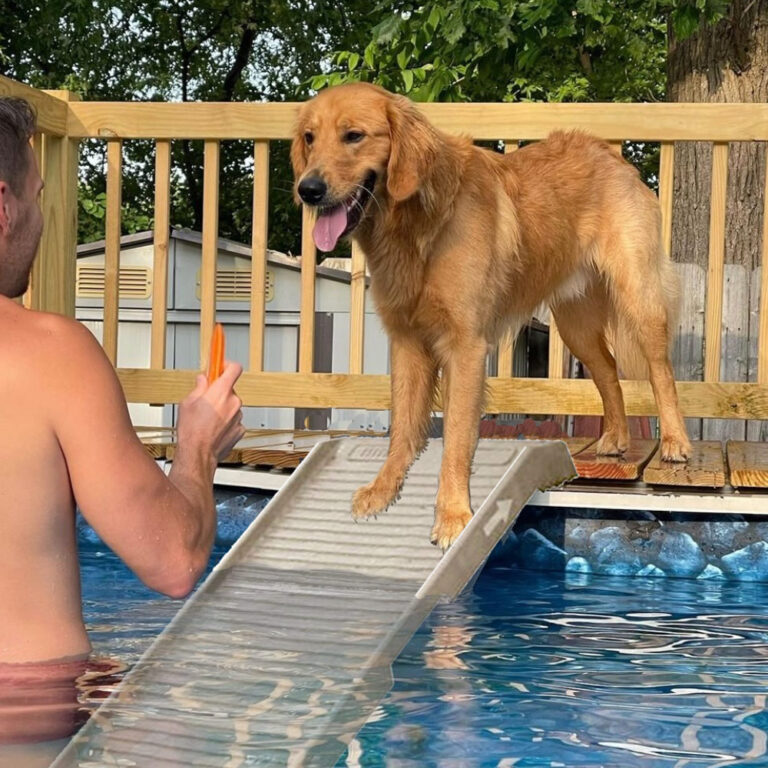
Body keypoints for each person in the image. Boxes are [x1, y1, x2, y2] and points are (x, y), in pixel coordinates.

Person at [0, 96, 244, 749]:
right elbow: (171, 561)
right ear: (1, 206)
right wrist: (197, 448)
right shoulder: (47, 354)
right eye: (38, 195)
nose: (41, 219)